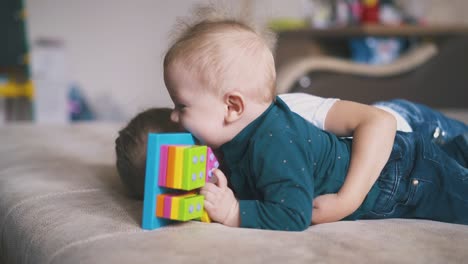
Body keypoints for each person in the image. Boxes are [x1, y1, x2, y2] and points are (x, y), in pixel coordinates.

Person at [161, 11, 467, 231]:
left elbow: (293, 215)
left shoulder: (274, 143)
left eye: (181, 105)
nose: (174, 116)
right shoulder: (238, 135)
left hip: (404, 173)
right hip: (400, 161)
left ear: (232, 106)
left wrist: (234, 212)